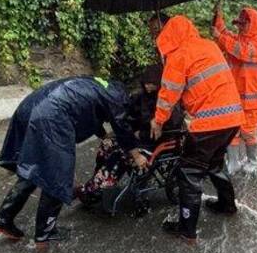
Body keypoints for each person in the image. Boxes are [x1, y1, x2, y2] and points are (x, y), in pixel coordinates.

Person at [0, 76, 147, 246]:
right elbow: (121, 128)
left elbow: (89, 111)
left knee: (35, 169)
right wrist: (136, 156)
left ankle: (2, 218)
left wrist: (104, 136)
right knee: (58, 176)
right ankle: (45, 233)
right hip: (52, 117)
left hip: (30, 107)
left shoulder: (97, 85)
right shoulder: (118, 98)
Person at [149, 15, 244, 244]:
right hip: (233, 118)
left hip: (210, 123)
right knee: (214, 164)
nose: (154, 36)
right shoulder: (208, 46)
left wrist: (157, 121)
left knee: (189, 173)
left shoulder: (178, 55)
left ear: (168, 34)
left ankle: (186, 230)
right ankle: (227, 205)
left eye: (156, 32)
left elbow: (168, 93)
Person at [74, 65, 184, 205]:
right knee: (107, 144)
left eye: (153, 84)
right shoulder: (140, 97)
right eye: (146, 83)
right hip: (137, 137)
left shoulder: (168, 103)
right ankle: (98, 181)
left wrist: (139, 135)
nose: (148, 87)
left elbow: (166, 131)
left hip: (155, 142)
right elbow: (125, 115)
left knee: (121, 154)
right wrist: (122, 128)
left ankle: (90, 190)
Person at [212, 6, 257, 174]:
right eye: (239, 24)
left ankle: (252, 160)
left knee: (249, 130)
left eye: (244, 24)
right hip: (234, 95)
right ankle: (234, 162)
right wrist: (218, 17)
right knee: (232, 128)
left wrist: (220, 37)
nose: (240, 27)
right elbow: (225, 33)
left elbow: (241, 51)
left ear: (254, 24)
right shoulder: (237, 38)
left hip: (251, 98)